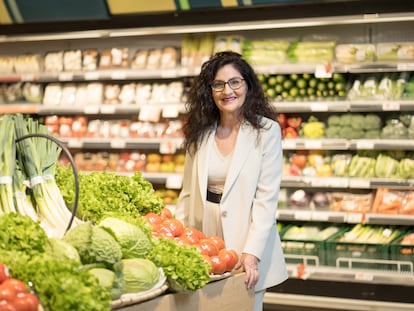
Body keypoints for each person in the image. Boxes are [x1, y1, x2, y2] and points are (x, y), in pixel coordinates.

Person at [175, 51, 288, 311]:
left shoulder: (266, 132)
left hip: (245, 239)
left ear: (247, 85)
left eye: (235, 82)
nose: (228, 90)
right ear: (210, 90)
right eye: (219, 84)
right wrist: (178, 241)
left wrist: (252, 253)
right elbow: (188, 194)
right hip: (204, 239)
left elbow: (266, 200)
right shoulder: (199, 132)